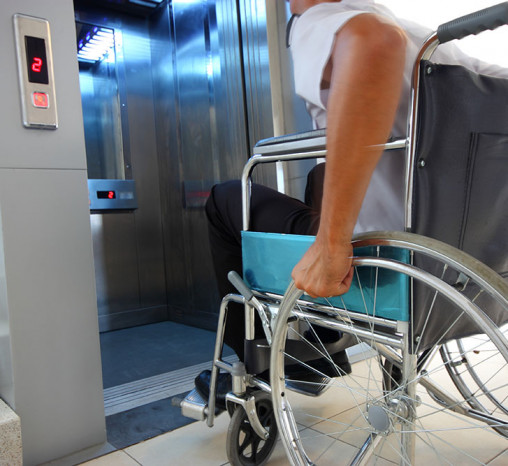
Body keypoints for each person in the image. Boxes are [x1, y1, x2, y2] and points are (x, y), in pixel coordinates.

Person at [200, 0, 506, 396]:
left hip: (385, 257)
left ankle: (266, 363)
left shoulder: (323, 20)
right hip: (470, 266)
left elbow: (373, 42)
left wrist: (330, 245)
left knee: (225, 198)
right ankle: (323, 335)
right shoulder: (433, 45)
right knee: (320, 174)